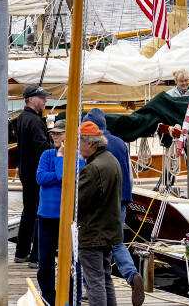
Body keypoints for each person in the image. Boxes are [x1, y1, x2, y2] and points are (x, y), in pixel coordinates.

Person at [85, 108, 144, 304]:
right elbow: (128, 172)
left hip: (103, 204)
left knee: (107, 248)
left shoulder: (96, 149)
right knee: (115, 241)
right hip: (123, 197)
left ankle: (128, 274)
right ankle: (132, 275)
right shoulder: (120, 143)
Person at [36, 120, 83, 306]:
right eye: (53, 133)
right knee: (45, 260)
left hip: (67, 217)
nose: (55, 136)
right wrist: (59, 169)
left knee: (72, 261)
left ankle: (72, 299)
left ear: (69, 135)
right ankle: (48, 297)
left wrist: (62, 158)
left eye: (59, 133)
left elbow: (65, 177)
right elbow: (40, 178)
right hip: (46, 215)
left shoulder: (78, 156)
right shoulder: (47, 154)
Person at [76, 120, 123, 306]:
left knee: (95, 282)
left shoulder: (92, 168)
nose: (78, 147)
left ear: (90, 144)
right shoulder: (112, 160)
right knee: (105, 278)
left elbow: (79, 202)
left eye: (80, 142)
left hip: (92, 232)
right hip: (108, 231)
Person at [14, 85, 53, 265]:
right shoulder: (36, 121)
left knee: (28, 211)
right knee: (39, 212)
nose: (45, 100)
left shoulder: (22, 118)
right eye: (42, 98)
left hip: (26, 171)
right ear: (31, 99)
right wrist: (59, 149)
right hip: (37, 173)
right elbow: (42, 148)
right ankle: (36, 257)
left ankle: (21, 252)